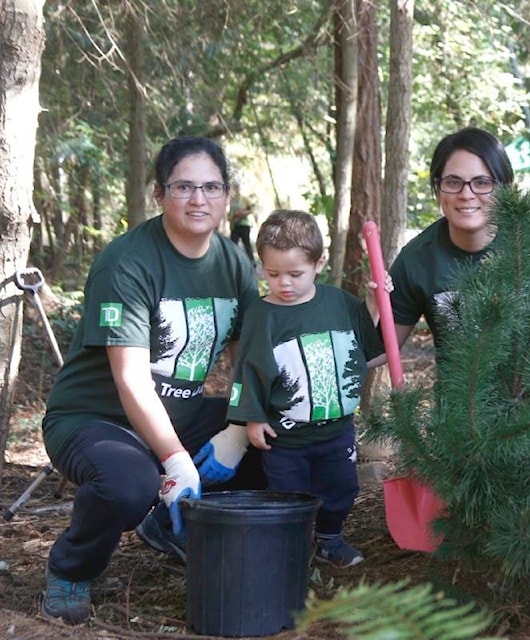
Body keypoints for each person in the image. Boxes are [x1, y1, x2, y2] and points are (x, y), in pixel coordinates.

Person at [40, 136, 263, 624]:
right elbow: (131, 379)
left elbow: (249, 357)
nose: (199, 199)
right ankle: (70, 568)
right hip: (98, 420)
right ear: (160, 195)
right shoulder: (128, 262)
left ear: (227, 196)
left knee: (272, 438)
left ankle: (169, 525)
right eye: (184, 187)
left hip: (179, 415)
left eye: (211, 187)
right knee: (127, 483)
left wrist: (236, 428)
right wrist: (176, 458)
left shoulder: (233, 262)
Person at [227, 210, 386, 568]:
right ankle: (289, 547)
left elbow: (363, 341)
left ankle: (330, 538)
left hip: (336, 429)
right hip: (286, 436)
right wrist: (251, 418)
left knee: (341, 487)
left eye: (295, 274)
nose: (284, 283)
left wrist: (375, 304)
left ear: (319, 263)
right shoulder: (262, 315)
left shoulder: (338, 302)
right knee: (287, 493)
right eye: (273, 274)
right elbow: (248, 368)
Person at [387, 127, 530, 353]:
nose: (466, 194)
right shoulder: (416, 260)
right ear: (438, 187)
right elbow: (382, 348)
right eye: (453, 182)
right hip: (466, 388)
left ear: (505, 188)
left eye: (482, 182)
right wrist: (371, 306)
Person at [229, 182, 256, 262]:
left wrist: (242, 213)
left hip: (244, 225)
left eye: (237, 187)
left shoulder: (245, 199)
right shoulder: (232, 200)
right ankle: (234, 263)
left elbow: (252, 209)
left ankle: (252, 261)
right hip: (234, 225)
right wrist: (230, 217)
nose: (235, 189)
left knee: (246, 244)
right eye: (234, 188)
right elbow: (231, 212)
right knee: (233, 244)